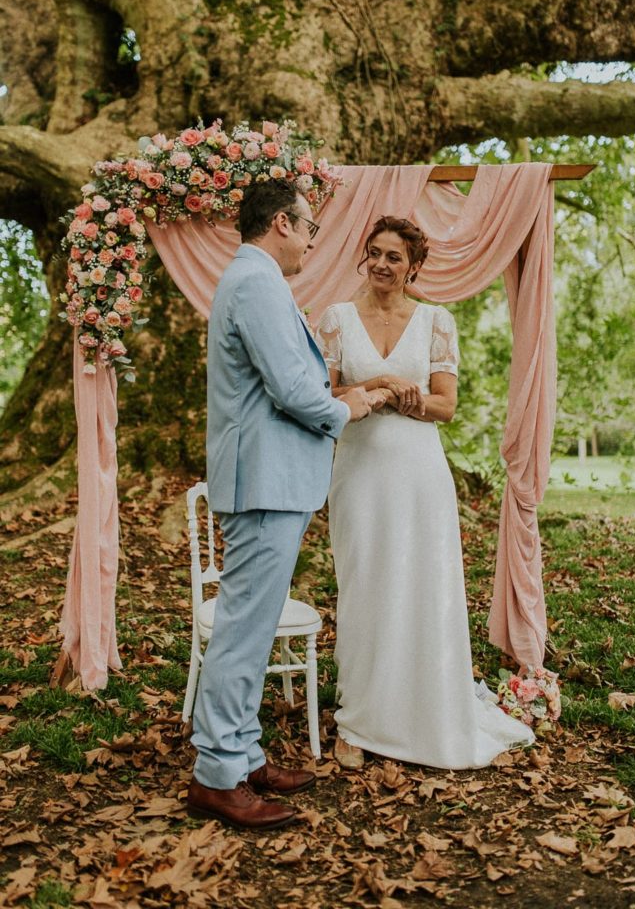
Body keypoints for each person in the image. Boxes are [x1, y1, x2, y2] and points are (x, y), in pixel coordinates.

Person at [187, 179, 374, 829]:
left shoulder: (251, 279)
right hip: (263, 484)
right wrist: (345, 407)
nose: (314, 239)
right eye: (310, 226)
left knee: (253, 629)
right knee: (242, 634)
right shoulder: (257, 282)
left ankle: (241, 754)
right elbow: (292, 386)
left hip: (270, 480)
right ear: (280, 224)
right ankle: (216, 775)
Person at [315, 216, 534, 770]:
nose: (383, 265)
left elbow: (446, 407)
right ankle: (358, 720)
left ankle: (424, 707)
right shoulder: (337, 319)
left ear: (413, 267)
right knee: (364, 586)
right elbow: (324, 393)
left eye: (395, 257)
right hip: (359, 472)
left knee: (422, 586)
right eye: (375, 253)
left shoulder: (436, 322)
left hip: (419, 474)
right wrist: (382, 385)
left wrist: (409, 400)